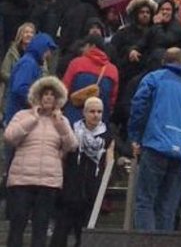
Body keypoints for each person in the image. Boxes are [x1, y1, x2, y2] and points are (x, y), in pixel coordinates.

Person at [127, 47, 181, 231]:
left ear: (163, 62)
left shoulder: (155, 78)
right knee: (168, 204)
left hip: (155, 145)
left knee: (145, 200)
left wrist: (135, 136)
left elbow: (139, 105)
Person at [4, 76, 77, 247]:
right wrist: (33, 118)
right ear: (38, 97)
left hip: (48, 182)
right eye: (45, 94)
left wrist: (60, 124)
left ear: (57, 99)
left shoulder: (62, 121)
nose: (48, 97)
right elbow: (9, 136)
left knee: (41, 227)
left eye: (52, 94)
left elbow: (72, 145)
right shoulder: (23, 115)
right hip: (22, 181)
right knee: (17, 225)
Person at [50, 96, 112, 247]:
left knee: (85, 232)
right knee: (61, 229)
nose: (96, 115)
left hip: (92, 187)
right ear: (84, 112)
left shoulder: (108, 135)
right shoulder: (72, 129)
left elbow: (109, 162)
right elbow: (62, 154)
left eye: (99, 111)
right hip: (70, 185)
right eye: (92, 111)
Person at [3, 32, 55, 126]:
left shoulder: (32, 63)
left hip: (20, 115)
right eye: (48, 50)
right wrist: (39, 101)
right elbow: (19, 88)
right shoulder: (29, 64)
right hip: (18, 116)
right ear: (41, 47)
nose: (49, 54)